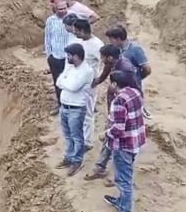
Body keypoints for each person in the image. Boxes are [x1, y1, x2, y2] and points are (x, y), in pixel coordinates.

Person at [85, 44, 139, 181]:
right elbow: (105, 72)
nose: (102, 60)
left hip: (123, 110)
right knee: (112, 138)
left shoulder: (126, 69)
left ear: (110, 57)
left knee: (121, 142)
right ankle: (101, 167)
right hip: (115, 108)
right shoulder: (113, 62)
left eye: (103, 58)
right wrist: (96, 82)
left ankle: (120, 176)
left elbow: (134, 89)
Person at [103, 71, 146, 212]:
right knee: (125, 174)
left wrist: (106, 133)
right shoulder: (135, 92)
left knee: (123, 179)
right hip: (135, 141)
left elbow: (118, 129)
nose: (109, 86)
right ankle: (121, 201)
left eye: (110, 83)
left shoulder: (119, 100)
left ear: (115, 84)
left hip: (123, 144)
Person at [56, 43, 95, 176]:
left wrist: (65, 83)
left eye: (69, 55)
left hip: (76, 109)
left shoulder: (87, 71)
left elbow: (73, 87)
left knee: (77, 137)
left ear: (76, 56)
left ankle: (77, 161)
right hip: (65, 106)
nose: (67, 57)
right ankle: (69, 158)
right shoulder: (70, 68)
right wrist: (66, 83)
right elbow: (58, 82)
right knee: (68, 135)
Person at [105, 25, 151, 117]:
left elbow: (147, 69)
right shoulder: (115, 50)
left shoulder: (135, 49)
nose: (110, 42)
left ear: (118, 39)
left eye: (111, 39)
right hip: (117, 89)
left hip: (131, 89)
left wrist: (136, 78)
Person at [73, 19, 105, 149]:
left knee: (87, 113)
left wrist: (99, 79)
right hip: (79, 82)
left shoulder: (97, 45)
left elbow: (107, 63)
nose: (75, 34)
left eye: (76, 31)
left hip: (88, 85)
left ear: (82, 31)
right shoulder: (81, 42)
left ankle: (87, 142)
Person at [45, 1, 71, 114]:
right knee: (58, 82)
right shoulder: (50, 21)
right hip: (55, 56)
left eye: (64, 8)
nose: (63, 10)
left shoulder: (72, 18)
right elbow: (47, 38)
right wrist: (49, 55)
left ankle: (71, 105)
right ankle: (61, 105)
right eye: (60, 9)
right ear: (55, 9)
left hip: (69, 57)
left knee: (70, 81)